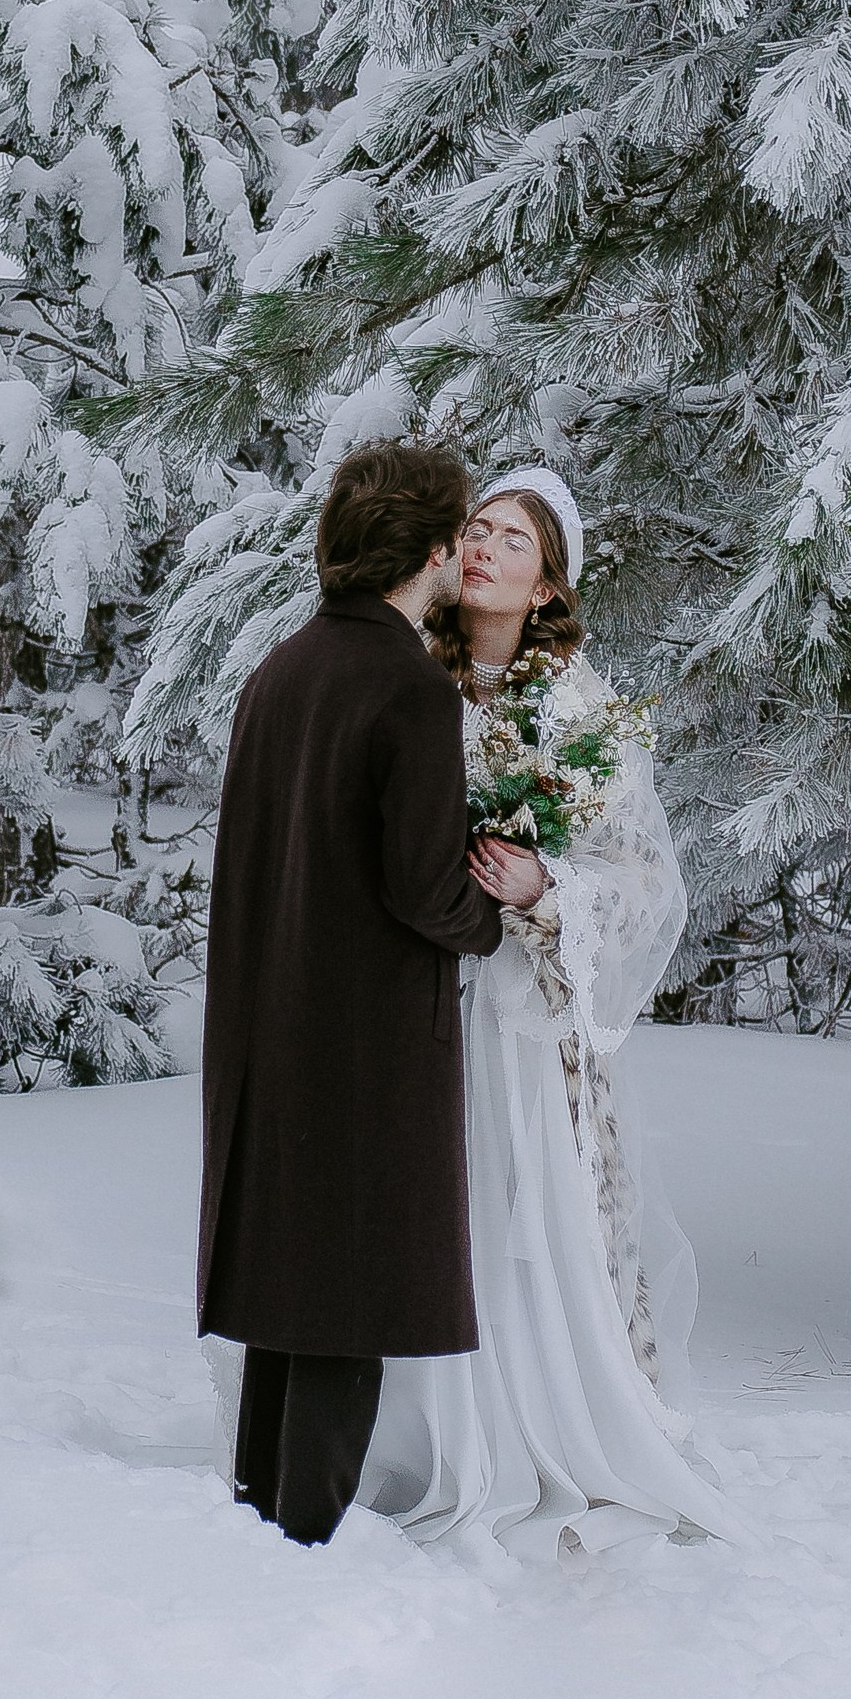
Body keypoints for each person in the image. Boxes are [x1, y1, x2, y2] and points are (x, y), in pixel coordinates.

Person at [362, 466, 728, 1564]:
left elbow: (646, 883)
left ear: (546, 582)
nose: (483, 550)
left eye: (513, 541)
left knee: (513, 1206)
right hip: (410, 997)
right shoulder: (398, 677)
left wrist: (543, 891)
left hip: (517, 1016)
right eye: (475, 530)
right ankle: (409, 1436)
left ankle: (535, 1431)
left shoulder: (575, 710)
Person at [197, 438, 543, 1545]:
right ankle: (303, 1534)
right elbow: (422, 888)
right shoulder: (405, 686)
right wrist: (495, 912)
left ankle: (257, 1512)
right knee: (345, 1295)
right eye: (462, 536)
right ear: (434, 550)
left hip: (270, 1016)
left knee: (288, 1293)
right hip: (361, 1033)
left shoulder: (282, 668)